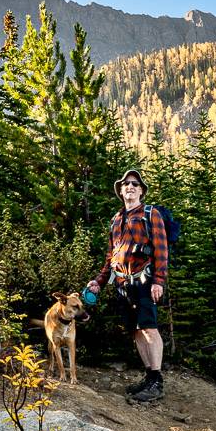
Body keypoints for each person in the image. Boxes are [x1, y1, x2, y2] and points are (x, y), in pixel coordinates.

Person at [86, 169, 169, 403]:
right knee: (136, 330)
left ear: (141, 190)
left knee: (149, 328)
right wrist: (99, 281)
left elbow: (162, 252)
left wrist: (158, 282)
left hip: (145, 281)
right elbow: (111, 257)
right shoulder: (116, 219)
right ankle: (149, 376)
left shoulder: (151, 214)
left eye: (135, 184)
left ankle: (157, 382)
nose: (130, 187)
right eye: (125, 184)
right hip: (122, 284)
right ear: (121, 191)